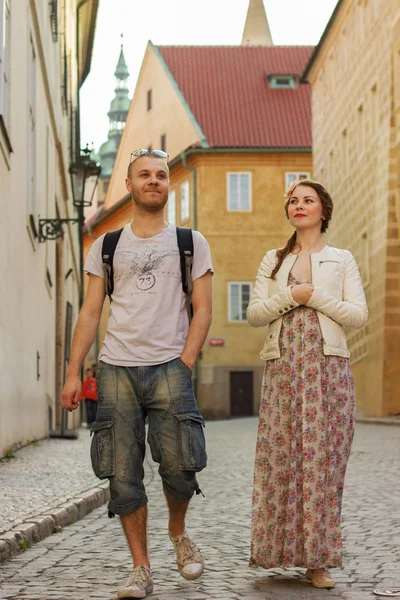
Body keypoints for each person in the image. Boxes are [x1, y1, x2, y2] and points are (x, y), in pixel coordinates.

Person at [62, 149, 213, 599]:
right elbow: (90, 313)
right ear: (128, 185)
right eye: (144, 175)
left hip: (171, 366)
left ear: (168, 184)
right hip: (116, 370)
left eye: (161, 175)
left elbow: (203, 310)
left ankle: (178, 532)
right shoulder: (106, 246)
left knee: (182, 466)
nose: (154, 181)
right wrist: (73, 373)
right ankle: (141, 568)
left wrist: (185, 360)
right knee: (122, 475)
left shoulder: (191, 242)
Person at [247, 179, 368, 589]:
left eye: (308, 200)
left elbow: (358, 315)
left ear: (323, 209)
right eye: (294, 201)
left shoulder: (341, 259)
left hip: (328, 370)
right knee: (281, 461)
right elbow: (255, 314)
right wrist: (290, 297)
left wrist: (312, 298)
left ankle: (318, 560)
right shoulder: (273, 260)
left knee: (323, 463)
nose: (300, 205)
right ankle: (276, 552)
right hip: (283, 370)